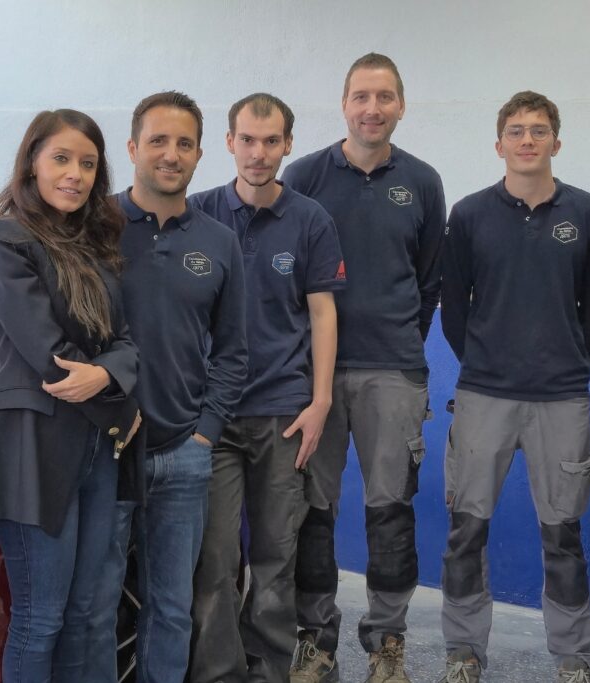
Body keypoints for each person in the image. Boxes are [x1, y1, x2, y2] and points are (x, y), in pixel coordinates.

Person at [0, 92, 248, 683]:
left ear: (200, 153)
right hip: (104, 445)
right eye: (158, 141)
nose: (170, 154)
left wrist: (204, 433)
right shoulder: (100, 227)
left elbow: (214, 346)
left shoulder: (204, 241)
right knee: (77, 612)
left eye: (184, 143)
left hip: (173, 449)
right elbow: (46, 327)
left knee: (170, 607)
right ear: (134, 148)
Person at [281, 53, 446, 683]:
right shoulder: (304, 174)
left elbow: (429, 281)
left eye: (384, 97)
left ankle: (386, 645)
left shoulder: (424, 183)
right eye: (360, 97)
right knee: (312, 511)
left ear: (401, 105)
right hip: (311, 380)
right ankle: (316, 641)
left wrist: (404, 346)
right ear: (344, 104)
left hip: (393, 373)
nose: (372, 109)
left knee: (390, 511)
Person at [437, 91, 590, 683]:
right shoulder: (468, 215)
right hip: (484, 395)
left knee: (563, 534)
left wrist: (567, 364)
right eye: (516, 131)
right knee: (467, 530)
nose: (528, 140)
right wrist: (486, 365)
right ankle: (463, 652)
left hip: (562, 399)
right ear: (499, 144)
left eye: (539, 131)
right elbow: (453, 309)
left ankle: (571, 657)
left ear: (556, 142)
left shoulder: (587, 214)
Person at [0, 108, 140, 683]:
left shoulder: (96, 242)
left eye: (88, 163)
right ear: (32, 162)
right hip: (34, 448)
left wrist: (111, 375)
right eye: (61, 158)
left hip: (95, 445)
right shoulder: (6, 238)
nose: (75, 174)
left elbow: (126, 342)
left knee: (87, 611)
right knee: (40, 619)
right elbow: (51, 355)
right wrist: (120, 399)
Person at [187, 93, 344, 683]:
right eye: (247, 140)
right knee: (216, 560)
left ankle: (268, 671)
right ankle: (220, 674)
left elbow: (323, 313)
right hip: (213, 419)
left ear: (287, 145)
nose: (258, 153)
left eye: (270, 141)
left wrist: (320, 401)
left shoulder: (311, 220)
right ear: (229, 142)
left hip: (285, 414)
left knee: (277, 559)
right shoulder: (197, 213)